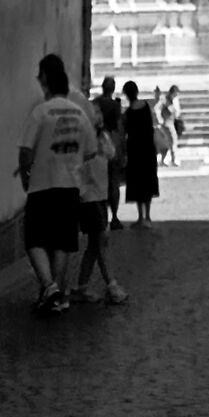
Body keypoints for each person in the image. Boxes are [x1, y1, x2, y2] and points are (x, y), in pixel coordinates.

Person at [18, 55, 99, 314]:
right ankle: (58, 294)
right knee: (62, 241)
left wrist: (25, 174)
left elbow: (25, 150)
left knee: (35, 239)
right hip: (70, 185)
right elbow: (90, 151)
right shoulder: (79, 113)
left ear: (45, 78)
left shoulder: (41, 111)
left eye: (39, 75)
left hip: (42, 184)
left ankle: (49, 286)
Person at [69, 109, 129, 307]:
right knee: (101, 241)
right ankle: (112, 285)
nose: (99, 116)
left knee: (95, 246)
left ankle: (82, 286)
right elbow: (77, 169)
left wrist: (102, 136)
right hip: (91, 198)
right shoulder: (82, 142)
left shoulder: (99, 139)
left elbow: (112, 154)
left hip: (98, 196)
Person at [121, 78, 160, 227]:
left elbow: (125, 131)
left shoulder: (129, 113)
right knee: (148, 181)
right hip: (148, 149)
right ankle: (148, 216)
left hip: (135, 150)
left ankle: (140, 217)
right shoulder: (145, 107)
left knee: (137, 182)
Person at [96, 73, 126, 224]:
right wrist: (123, 150)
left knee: (98, 183)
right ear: (113, 89)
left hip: (97, 146)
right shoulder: (115, 106)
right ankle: (114, 216)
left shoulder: (95, 103)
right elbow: (119, 128)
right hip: (112, 146)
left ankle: (102, 218)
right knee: (113, 183)